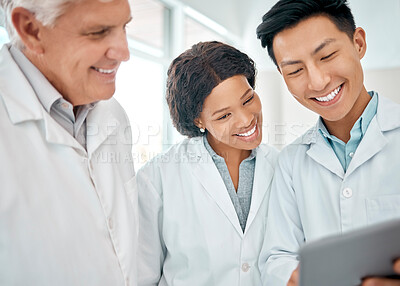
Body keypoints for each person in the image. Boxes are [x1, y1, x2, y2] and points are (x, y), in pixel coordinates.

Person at [256, 0, 400, 285]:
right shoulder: (291, 162)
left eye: (327, 55)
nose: (318, 81)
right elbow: (277, 258)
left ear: (358, 43)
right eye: (295, 71)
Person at [0, 0, 137, 285]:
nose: (124, 52)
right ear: (31, 29)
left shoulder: (112, 114)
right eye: (99, 31)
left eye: (124, 26)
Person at [135, 41, 278, 285]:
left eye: (248, 99)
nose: (245, 120)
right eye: (224, 115)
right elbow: (141, 274)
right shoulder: (158, 177)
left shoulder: (283, 166)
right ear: (198, 120)